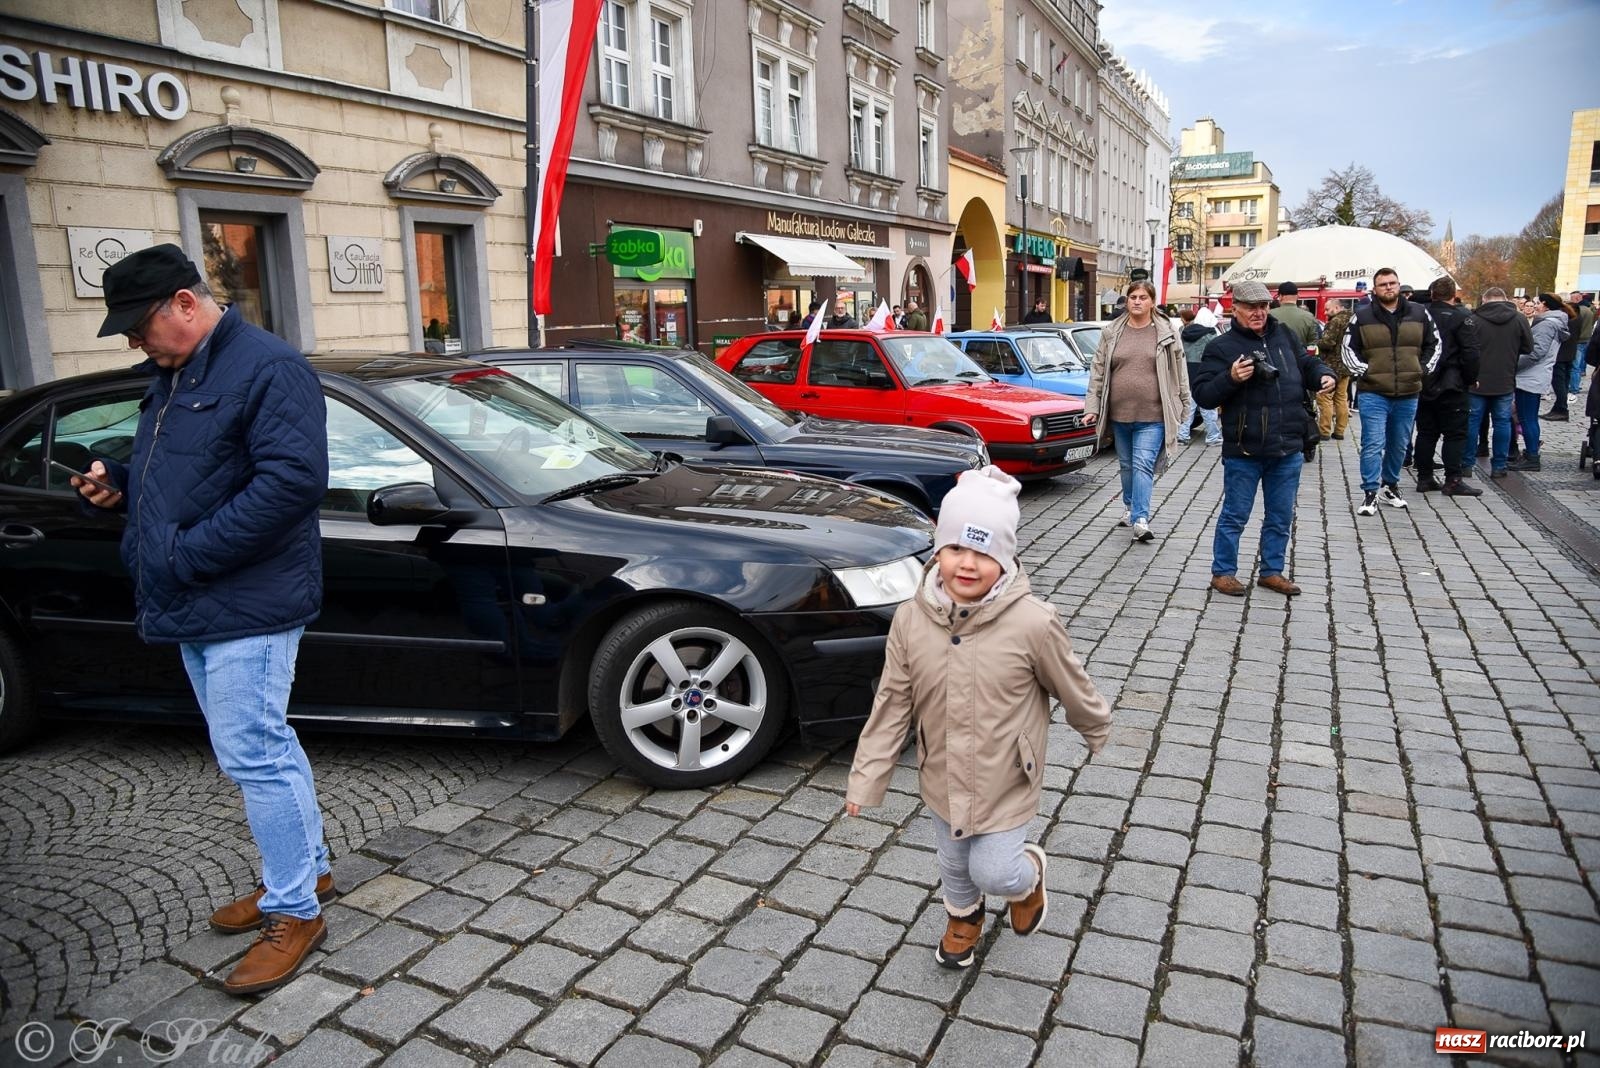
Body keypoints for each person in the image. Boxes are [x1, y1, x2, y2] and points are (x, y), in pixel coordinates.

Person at [72, 244, 332, 996]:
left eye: (139, 325)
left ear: (186, 303)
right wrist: (117, 486)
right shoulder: (176, 372)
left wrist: (184, 554)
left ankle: (295, 909)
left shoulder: (267, 366)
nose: (133, 341)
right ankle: (305, 874)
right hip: (196, 597)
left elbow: (291, 484)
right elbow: (188, 475)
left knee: (253, 750)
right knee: (262, 746)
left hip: (245, 598)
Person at [843, 466, 1110, 970]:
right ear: (937, 550)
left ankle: (1026, 876)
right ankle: (963, 920)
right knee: (953, 862)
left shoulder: (1032, 622)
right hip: (941, 770)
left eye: (984, 553)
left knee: (993, 869)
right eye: (956, 549)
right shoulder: (911, 618)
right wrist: (867, 775)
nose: (967, 564)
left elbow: (1071, 683)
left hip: (1007, 775)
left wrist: (1094, 724)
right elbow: (893, 702)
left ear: (1005, 558)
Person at [1192, 280, 1336, 597]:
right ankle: (1223, 572)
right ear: (1236, 309)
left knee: (1281, 516)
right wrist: (1229, 378)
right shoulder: (1221, 347)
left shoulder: (1283, 334)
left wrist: (1324, 373)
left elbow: (1307, 363)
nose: (1258, 313)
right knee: (1235, 514)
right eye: (1251, 307)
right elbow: (1202, 394)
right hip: (1245, 447)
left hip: (1287, 445)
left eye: (1263, 306)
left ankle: (1272, 571)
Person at [1082, 281, 1191, 542]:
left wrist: (1184, 402)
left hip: (1153, 413)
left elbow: (1180, 369)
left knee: (1142, 464)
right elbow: (1097, 372)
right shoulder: (1111, 332)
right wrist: (1093, 407)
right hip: (1119, 413)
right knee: (1127, 465)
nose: (1137, 301)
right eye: (1133, 297)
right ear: (1127, 301)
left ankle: (1141, 519)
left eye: (1143, 297)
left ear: (1152, 301)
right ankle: (1130, 506)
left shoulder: (1166, 332)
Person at [1342, 267, 1439, 516]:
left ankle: (1390, 485)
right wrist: (1364, 370)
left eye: (1392, 283)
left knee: (1399, 444)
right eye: (1383, 284)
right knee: (1373, 443)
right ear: (1375, 289)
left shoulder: (1419, 312)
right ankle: (1370, 491)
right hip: (1373, 391)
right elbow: (1348, 348)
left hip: (1408, 391)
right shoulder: (1362, 316)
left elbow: (1435, 343)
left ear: (1399, 285)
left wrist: (1422, 368)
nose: (1388, 287)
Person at [1414, 277, 1482, 496]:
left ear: (1432, 294)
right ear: (1454, 295)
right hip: (1452, 382)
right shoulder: (1462, 317)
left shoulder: (1420, 315)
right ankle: (1453, 479)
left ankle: (1424, 477)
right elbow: (1470, 352)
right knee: (1455, 434)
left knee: (1426, 432)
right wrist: (1471, 378)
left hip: (1423, 379)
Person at [1469, 287, 1533, 479]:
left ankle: (1465, 464)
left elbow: (1467, 348)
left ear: (1484, 299)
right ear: (1505, 299)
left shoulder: (1474, 319)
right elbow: (1528, 347)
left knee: (1472, 422)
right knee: (1503, 423)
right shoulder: (1519, 319)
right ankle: (1499, 466)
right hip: (1505, 378)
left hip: (1477, 380)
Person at [1511, 294, 1571, 471]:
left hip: (1530, 377)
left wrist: (1512, 366)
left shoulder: (1547, 324)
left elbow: (1536, 352)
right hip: (1534, 376)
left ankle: (1532, 456)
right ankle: (1530, 454)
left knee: (1527, 418)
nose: (1534, 306)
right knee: (1527, 417)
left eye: (1537, 303)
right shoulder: (1551, 323)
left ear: (1544, 305)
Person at [1176, 306, 1222, 445]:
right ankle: (1213, 436)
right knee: (1208, 406)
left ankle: (1182, 435)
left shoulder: (1183, 332)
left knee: (1189, 406)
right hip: (1205, 372)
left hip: (1187, 371)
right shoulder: (1211, 335)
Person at [1315, 300, 1354, 440]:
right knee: (1341, 398)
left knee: (1324, 397)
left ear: (1337, 307)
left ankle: (1324, 431)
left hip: (1331, 365)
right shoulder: (1353, 319)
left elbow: (1328, 342)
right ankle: (1339, 431)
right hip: (1346, 365)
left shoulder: (1336, 321)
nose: (1325, 313)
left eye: (1327, 309)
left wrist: (1316, 342)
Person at [1547, 293, 1580, 421]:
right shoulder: (1574, 316)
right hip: (1569, 354)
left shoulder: (1563, 317)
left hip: (1561, 355)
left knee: (1559, 383)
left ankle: (1561, 408)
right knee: (1564, 382)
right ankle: (1559, 407)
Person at [1269, 282, 1320, 351]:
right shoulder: (1309, 316)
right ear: (1297, 296)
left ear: (1280, 296)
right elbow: (1313, 344)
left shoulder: (1270, 314)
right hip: (1301, 359)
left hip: (1276, 358)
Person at [1571, 291, 1594, 391]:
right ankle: (1576, 385)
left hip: (1578, 340)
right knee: (1580, 365)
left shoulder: (1578, 310)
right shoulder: (1589, 310)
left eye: (1572, 298)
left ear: (1576, 299)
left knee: (1575, 366)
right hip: (1586, 339)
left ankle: (1574, 387)